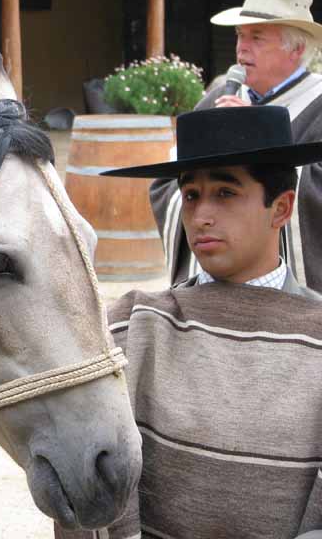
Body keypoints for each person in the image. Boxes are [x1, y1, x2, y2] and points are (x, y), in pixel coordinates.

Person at [55, 106, 322, 539]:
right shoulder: (135, 324)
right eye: (192, 195)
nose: (200, 217)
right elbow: (63, 430)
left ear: (281, 208)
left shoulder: (317, 337)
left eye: (225, 193)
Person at [150, 0, 322, 292]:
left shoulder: (318, 102)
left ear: (296, 49)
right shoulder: (216, 99)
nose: (242, 49)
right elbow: (166, 182)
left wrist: (257, 138)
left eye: (256, 38)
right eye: (239, 36)